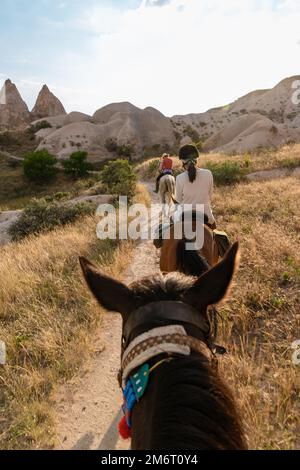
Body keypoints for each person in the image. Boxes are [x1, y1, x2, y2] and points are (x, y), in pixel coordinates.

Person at [175, 144, 216, 230]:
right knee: (219, 237)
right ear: (197, 160)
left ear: (182, 162)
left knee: (170, 230)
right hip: (206, 215)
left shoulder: (179, 178)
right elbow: (210, 195)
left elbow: (178, 200)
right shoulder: (208, 173)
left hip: (185, 215)